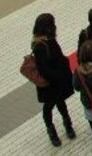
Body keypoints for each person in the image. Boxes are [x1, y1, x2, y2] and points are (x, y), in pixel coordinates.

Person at [31, 13, 76, 148]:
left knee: (61, 102)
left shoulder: (49, 39)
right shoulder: (40, 46)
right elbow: (44, 69)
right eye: (52, 23)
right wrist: (59, 77)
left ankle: (68, 124)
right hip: (50, 83)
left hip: (57, 81)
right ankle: (51, 130)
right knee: (48, 106)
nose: (55, 26)